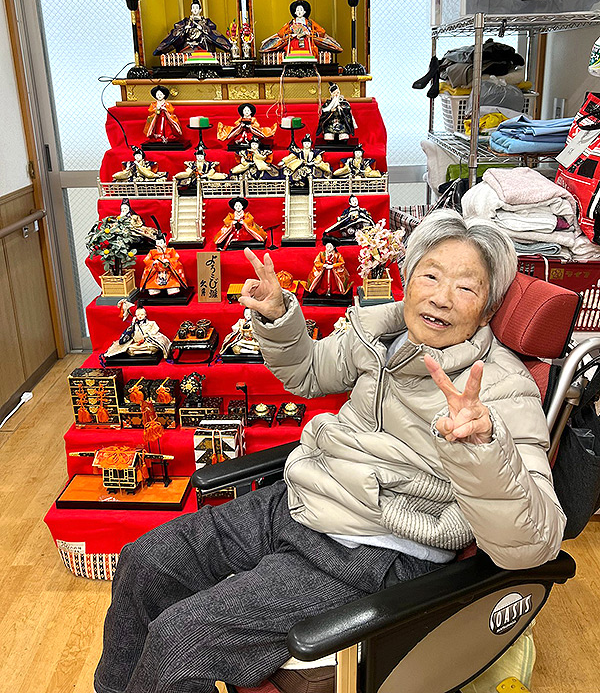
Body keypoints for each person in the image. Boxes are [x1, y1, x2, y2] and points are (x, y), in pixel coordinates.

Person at [95, 210, 566, 693]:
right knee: (145, 562)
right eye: (430, 275)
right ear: (407, 280)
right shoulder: (379, 334)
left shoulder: (502, 387)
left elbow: (535, 543)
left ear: (487, 312)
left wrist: (483, 449)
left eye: (466, 288)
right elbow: (309, 371)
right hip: (305, 499)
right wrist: (278, 316)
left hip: (374, 547)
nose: (441, 297)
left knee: (178, 641)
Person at [260, 0, 342, 63]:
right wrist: (291, 34)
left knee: (308, 44)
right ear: (295, 12)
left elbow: (322, 31)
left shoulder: (310, 22)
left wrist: (309, 33)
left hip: (307, 40)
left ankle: (308, 57)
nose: (299, 12)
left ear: (305, 11)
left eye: (301, 10)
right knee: (292, 45)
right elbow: (281, 33)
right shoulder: (291, 23)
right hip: (293, 40)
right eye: (297, 10)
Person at [153, 0, 232, 56]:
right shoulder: (186, 22)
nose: (195, 10)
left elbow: (213, 33)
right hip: (187, 48)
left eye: (197, 8)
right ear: (191, 9)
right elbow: (176, 33)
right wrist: (184, 29)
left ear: (200, 9)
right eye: (193, 8)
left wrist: (202, 28)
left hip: (203, 47)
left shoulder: (206, 22)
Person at [101, 302, 171, 362]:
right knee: (130, 348)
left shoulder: (151, 323)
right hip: (137, 344)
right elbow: (129, 334)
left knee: (153, 348)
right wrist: (133, 324)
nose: (140, 316)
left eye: (142, 314)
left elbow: (155, 330)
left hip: (148, 342)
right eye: (138, 315)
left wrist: (147, 336)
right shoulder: (135, 325)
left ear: (145, 315)